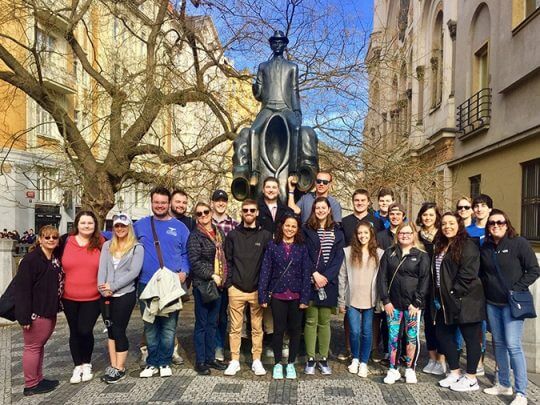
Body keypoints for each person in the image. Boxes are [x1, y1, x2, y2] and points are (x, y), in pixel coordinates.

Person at [480, 209, 540, 405]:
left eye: (500, 222)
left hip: (512, 304)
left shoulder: (518, 243)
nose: (496, 225)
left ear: (507, 224)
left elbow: (533, 269)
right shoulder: (486, 246)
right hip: (493, 303)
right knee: (499, 344)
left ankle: (521, 392)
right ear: (488, 227)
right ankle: (504, 383)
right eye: (492, 223)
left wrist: (516, 288)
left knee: (513, 345)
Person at [135, 187, 190, 378]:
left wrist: (184, 271)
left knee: (168, 326)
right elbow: (122, 241)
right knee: (150, 324)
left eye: (163, 202)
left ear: (169, 204)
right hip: (146, 283)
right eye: (156, 202)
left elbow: (186, 253)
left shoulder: (180, 227)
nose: (160, 205)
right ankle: (152, 362)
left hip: (171, 284)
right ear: (151, 203)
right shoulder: (141, 225)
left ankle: (165, 361)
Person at [434, 212, 486, 392]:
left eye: (451, 223)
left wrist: (453, 293)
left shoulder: (468, 245)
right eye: (444, 224)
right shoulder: (441, 244)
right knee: (443, 334)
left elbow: (468, 274)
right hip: (445, 300)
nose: (447, 227)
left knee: (471, 339)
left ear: (459, 224)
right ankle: (455, 372)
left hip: (466, 300)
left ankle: (471, 378)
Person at [224, 199, 272, 376]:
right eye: (246, 210)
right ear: (241, 212)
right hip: (236, 288)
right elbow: (227, 261)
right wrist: (229, 284)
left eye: (252, 210)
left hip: (257, 289)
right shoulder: (233, 235)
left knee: (257, 328)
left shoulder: (265, 235)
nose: (249, 213)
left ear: (257, 212)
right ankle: (235, 360)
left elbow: (269, 263)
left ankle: (257, 360)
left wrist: (264, 288)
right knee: (235, 328)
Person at [259, 215, 311, 379]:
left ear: (297, 229)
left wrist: (304, 298)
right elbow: (265, 271)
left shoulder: (302, 247)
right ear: (282, 227)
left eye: (293, 226)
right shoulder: (273, 246)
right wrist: (263, 295)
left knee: (295, 331)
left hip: (296, 295)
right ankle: (277, 364)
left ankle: (290, 364)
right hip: (278, 294)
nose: (290, 229)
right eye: (287, 225)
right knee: (278, 331)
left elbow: (306, 273)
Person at [377, 222, 429, 384]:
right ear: (397, 235)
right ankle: (393, 369)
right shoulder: (389, 253)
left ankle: (410, 368)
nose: (405, 236)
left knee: (411, 337)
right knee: (393, 337)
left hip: (412, 306)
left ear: (414, 235)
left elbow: (425, 279)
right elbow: (382, 278)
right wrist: (385, 300)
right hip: (393, 304)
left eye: (408, 233)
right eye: (401, 233)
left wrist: (417, 302)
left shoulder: (421, 255)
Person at [15, 225, 63, 396]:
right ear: (40, 239)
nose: (51, 240)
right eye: (47, 237)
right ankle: (30, 384)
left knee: (39, 346)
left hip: (49, 309)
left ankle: (38, 378)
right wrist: (24, 317)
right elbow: (22, 290)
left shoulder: (54, 258)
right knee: (33, 347)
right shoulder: (31, 260)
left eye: (54, 237)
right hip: (36, 312)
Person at [97, 213, 143, 384]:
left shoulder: (137, 248)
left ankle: (120, 368)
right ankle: (113, 364)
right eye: (117, 226)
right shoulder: (107, 245)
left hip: (124, 294)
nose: (120, 229)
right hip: (106, 295)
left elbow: (133, 272)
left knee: (119, 330)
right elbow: (102, 268)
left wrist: (113, 286)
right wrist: (102, 288)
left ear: (129, 227)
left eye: (123, 226)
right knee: (110, 329)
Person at [339, 188, 384, 361]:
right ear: (353, 202)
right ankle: (349, 348)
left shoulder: (376, 221)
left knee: (371, 322)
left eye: (362, 200)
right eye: (356, 200)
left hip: (369, 273)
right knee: (351, 322)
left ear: (368, 202)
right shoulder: (345, 221)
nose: (359, 203)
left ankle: (373, 349)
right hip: (353, 271)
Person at [60, 210, 104, 384]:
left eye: (90, 223)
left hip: (93, 297)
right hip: (69, 297)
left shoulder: (101, 242)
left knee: (85, 330)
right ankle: (77, 365)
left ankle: (87, 363)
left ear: (95, 225)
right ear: (76, 224)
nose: (86, 226)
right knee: (74, 331)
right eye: (83, 223)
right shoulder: (65, 241)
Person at [302, 197, 345, 375]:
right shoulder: (306, 230)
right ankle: (311, 358)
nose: (320, 210)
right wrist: (314, 274)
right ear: (314, 210)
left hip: (329, 282)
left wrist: (326, 277)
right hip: (311, 281)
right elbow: (304, 254)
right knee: (311, 321)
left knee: (325, 322)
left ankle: (323, 357)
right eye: (317, 207)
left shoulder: (337, 231)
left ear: (329, 210)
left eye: (323, 208)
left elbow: (338, 258)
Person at [188, 202, 228, 375]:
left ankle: (211, 358)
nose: (203, 215)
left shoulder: (218, 233)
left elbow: (224, 255)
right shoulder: (195, 236)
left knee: (213, 323)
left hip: (218, 285)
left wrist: (222, 276)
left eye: (205, 212)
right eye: (199, 213)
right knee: (202, 324)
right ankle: (201, 361)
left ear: (211, 213)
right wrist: (212, 274)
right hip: (203, 285)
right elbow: (195, 262)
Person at [415, 203, 446, 376]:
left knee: (440, 324)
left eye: (431, 215)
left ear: (436, 217)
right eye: (425, 215)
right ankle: (432, 357)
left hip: (440, 285)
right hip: (424, 285)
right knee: (427, 323)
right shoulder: (418, 236)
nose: (427, 218)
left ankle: (442, 359)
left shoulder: (442, 235)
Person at [211, 189, 239, 362]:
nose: (221, 203)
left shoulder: (234, 224)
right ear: (212, 202)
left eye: (224, 200)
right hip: (211, 276)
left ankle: (220, 347)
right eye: (217, 200)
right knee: (209, 315)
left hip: (228, 277)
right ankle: (211, 347)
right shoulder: (206, 221)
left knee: (223, 315)